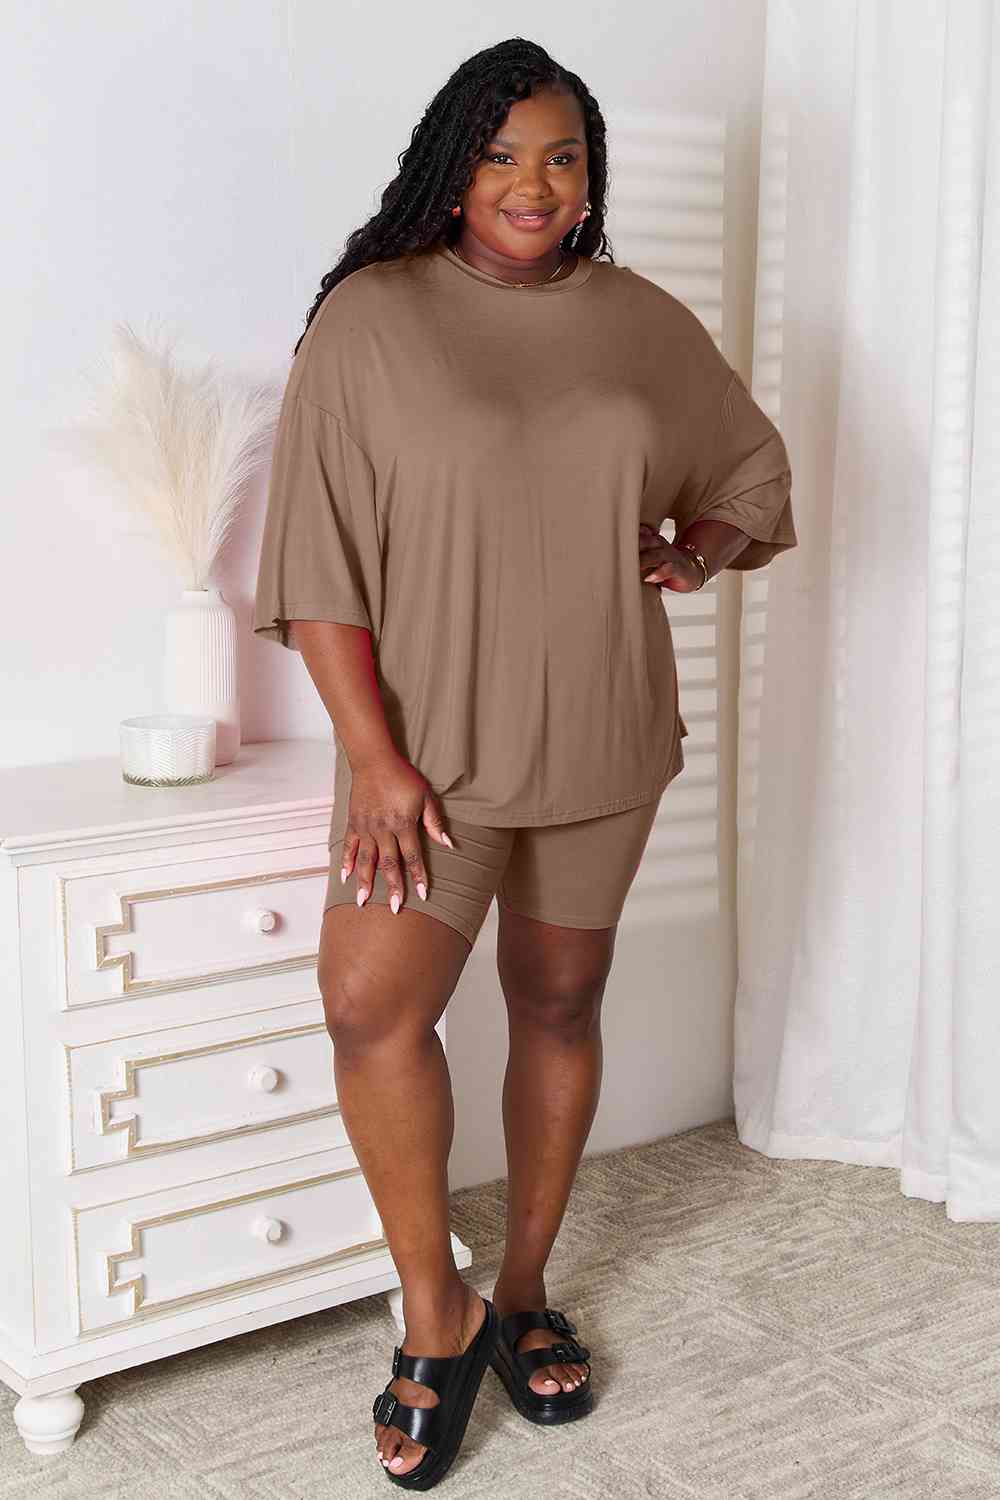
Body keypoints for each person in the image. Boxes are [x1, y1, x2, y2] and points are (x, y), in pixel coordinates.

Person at [253, 35, 797, 1490]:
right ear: (453, 167)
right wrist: (375, 762)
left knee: (559, 1000)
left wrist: (697, 551)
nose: (533, 184)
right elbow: (319, 567)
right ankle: (434, 1307)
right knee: (372, 1009)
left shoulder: (636, 320)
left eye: (563, 157)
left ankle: (526, 1289)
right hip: (426, 759)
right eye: (501, 155)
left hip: (605, 729)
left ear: (591, 175)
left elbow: (749, 468)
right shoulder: (371, 318)